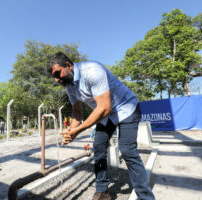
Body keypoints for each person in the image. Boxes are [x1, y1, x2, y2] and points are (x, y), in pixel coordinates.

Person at [47, 52, 155, 200]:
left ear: (68, 65)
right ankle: (102, 191)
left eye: (58, 73)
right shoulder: (69, 86)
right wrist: (71, 131)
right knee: (98, 148)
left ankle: (145, 197)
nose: (56, 79)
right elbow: (77, 113)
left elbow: (104, 108)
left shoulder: (92, 70)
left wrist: (78, 130)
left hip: (126, 108)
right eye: (54, 76)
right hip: (107, 115)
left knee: (127, 150)